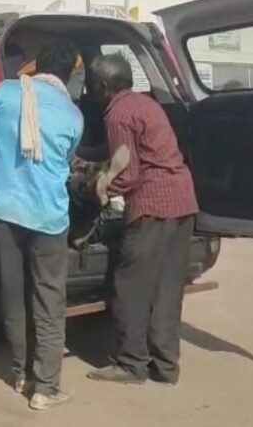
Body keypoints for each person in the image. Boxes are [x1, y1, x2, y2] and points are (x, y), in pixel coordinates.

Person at [0, 45, 84, 411]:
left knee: (13, 294)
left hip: (3, 212)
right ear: (69, 75)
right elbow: (67, 161)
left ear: (36, 67)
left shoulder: (4, 93)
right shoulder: (73, 114)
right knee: (49, 301)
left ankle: (20, 374)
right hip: (48, 218)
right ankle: (46, 388)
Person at [85, 53, 199, 386]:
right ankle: (165, 365)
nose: (89, 92)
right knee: (167, 288)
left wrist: (97, 188)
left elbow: (127, 173)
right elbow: (129, 151)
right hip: (183, 201)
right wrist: (87, 155)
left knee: (131, 287)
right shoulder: (145, 104)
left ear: (102, 86)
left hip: (152, 206)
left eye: (90, 85)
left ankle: (131, 364)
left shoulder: (117, 114)